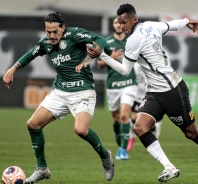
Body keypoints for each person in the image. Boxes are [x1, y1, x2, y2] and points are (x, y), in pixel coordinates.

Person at [76, 3, 198, 184]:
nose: (122, 26)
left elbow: (124, 70)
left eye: (124, 22)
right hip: (154, 92)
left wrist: (103, 56)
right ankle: (169, 167)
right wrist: (187, 22)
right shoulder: (151, 25)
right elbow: (172, 25)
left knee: (191, 132)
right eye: (120, 23)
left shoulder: (133, 41)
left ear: (134, 19)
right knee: (139, 127)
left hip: (172, 90)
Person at [2, 12, 114, 183]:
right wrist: (12, 70)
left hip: (83, 91)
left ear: (63, 27)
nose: (52, 36)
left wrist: (94, 53)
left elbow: (101, 40)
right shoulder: (46, 43)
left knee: (81, 130)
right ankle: (42, 169)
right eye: (48, 32)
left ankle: (106, 156)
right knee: (33, 124)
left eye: (55, 31)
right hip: (60, 92)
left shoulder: (74, 34)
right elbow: (30, 54)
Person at [97, 17, 137, 160]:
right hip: (113, 85)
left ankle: (122, 150)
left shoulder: (131, 40)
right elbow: (99, 65)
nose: (119, 25)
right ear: (113, 25)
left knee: (125, 115)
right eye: (116, 22)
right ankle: (120, 145)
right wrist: (110, 57)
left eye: (121, 22)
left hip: (129, 83)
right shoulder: (106, 42)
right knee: (116, 119)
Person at [127, 63, 162, 152]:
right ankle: (131, 138)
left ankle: (154, 138)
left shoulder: (149, 65)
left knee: (150, 122)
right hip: (137, 95)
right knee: (134, 117)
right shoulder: (134, 65)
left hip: (149, 95)